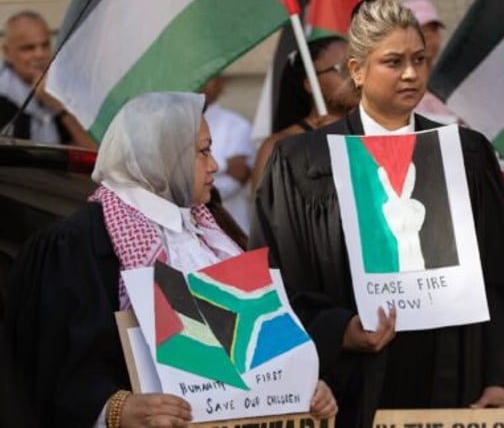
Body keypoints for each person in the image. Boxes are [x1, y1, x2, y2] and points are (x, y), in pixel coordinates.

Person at [251, 0, 504, 428]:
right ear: (357, 70)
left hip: (457, 376)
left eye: (419, 59)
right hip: (350, 384)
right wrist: (339, 329)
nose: (411, 74)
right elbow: (278, 276)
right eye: (393, 61)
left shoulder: (465, 152)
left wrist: (498, 376)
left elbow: (499, 274)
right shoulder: (303, 161)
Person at [2, 91, 336, 427]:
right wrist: (119, 409)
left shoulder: (211, 229)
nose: (215, 165)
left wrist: (300, 387)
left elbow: (258, 342)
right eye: (203, 151)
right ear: (161, 156)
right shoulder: (79, 243)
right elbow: (51, 365)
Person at [252, 36, 358, 187]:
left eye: (358, 65)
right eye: (342, 69)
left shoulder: (381, 130)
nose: (354, 76)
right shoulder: (279, 147)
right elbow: (266, 207)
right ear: (310, 84)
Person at [0, 10, 94, 147]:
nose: (40, 54)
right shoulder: (3, 96)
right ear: (7, 52)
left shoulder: (68, 87)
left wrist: (59, 106)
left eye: (45, 45)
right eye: (28, 48)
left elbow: (94, 152)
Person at [202, 75, 255, 233]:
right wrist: (225, 167)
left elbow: (239, 173)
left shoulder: (236, 124)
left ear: (221, 83)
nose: (202, 85)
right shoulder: (176, 124)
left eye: (209, 78)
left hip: (231, 223)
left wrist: (194, 190)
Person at [403, 0, 458, 125]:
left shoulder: (452, 83)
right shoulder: (392, 86)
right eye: (420, 30)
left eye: (433, 30)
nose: (428, 36)